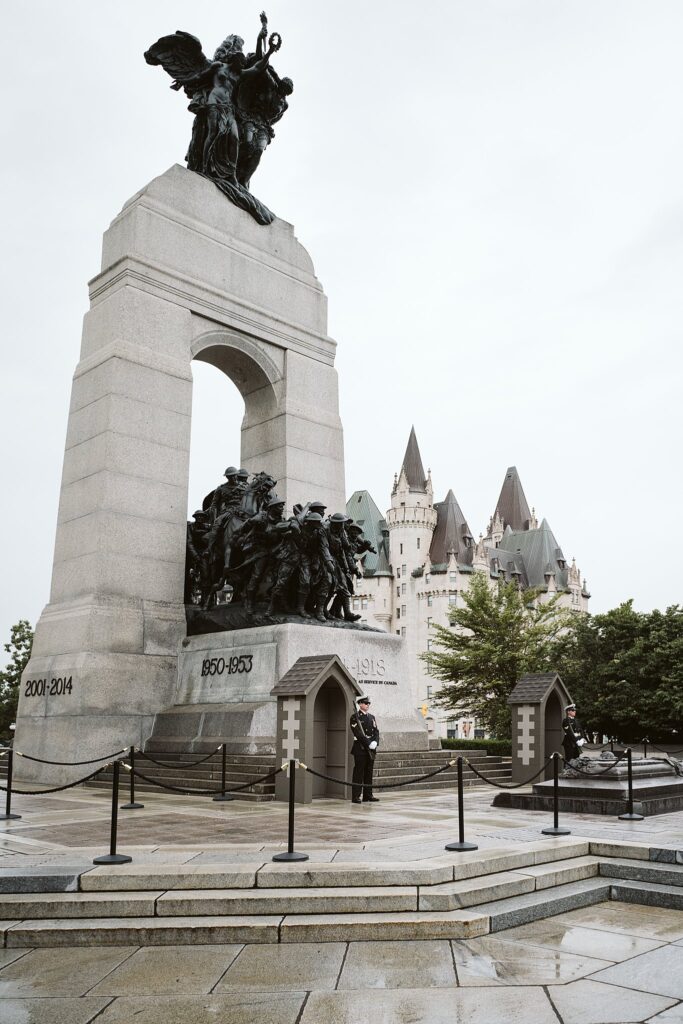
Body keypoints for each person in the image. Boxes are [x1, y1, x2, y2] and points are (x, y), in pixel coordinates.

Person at [350, 696, 380, 804]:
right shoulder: (355, 717)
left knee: (368, 772)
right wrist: (368, 743)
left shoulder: (372, 717)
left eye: (368, 703)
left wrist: (375, 742)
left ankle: (368, 795)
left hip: (371, 748)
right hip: (360, 748)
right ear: (360, 704)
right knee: (359, 772)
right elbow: (358, 733)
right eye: (365, 703)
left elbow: (376, 731)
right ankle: (356, 796)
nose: (367, 705)